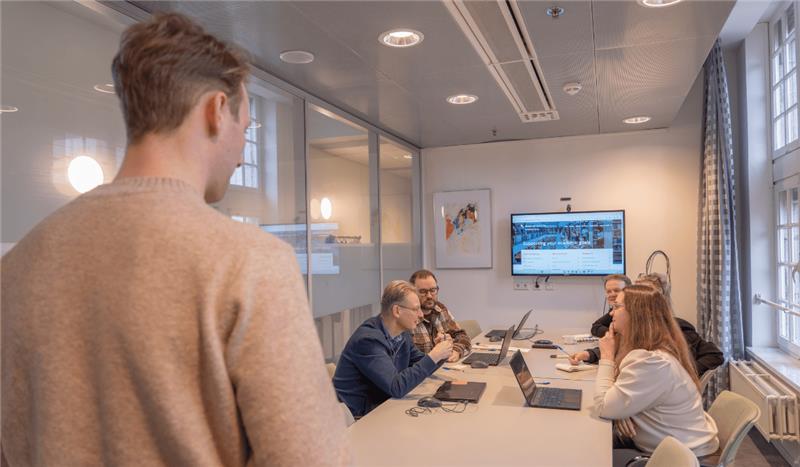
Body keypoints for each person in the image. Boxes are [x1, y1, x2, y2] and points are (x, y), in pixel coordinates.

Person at [1, 13, 348, 466]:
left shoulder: (17, 267)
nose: (241, 153)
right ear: (216, 111)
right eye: (245, 128)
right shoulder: (251, 263)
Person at [593, 285, 719, 465]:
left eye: (617, 307)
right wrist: (622, 411)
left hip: (683, 458)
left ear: (637, 315)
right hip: (673, 443)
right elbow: (617, 395)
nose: (612, 313)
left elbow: (603, 406)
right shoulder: (655, 351)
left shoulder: (652, 362)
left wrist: (606, 355)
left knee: (589, 447)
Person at [333, 280, 453, 418]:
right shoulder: (368, 341)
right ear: (397, 311)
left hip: (383, 407)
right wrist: (434, 356)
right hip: (358, 418)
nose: (421, 314)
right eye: (415, 309)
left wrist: (440, 353)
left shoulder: (402, 334)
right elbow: (396, 387)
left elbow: (421, 363)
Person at [570, 274, 724, 376]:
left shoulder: (678, 329)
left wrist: (684, 374)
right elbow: (622, 345)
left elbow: (714, 355)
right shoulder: (641, 332)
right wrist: (591, 354)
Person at [409, 269, 472, 362]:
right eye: (423, 291)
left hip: (444, 366)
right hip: (423, 369)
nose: (429, 296)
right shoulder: (407, 317)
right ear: (412, 293)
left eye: (433, 290)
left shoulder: (440, 308)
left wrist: (456, 351)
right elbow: (409, 359)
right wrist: (438, 352)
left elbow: (461, 336)